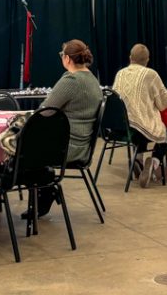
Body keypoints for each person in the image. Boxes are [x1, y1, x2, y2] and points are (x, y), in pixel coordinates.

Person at [26, 40, 103, 218]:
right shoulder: (92, 79)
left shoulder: (71, 80)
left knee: (21, 146)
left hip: (66, 148)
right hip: (82, 147)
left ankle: (45, 188)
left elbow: (44, 112)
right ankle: (46, 186)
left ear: (67, 58)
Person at [112, 44, 167, 188]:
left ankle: (137, 160)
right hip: (138, 131)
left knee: (138, 119)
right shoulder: (151, 74)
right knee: (166, 133)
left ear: (130, 58)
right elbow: (163, 104)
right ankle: (153, 161)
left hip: (118, 129)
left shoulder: (120, 73)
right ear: (147, 60)